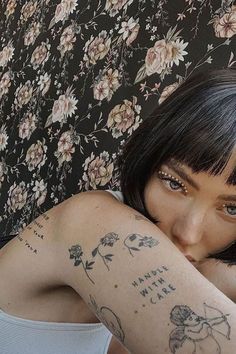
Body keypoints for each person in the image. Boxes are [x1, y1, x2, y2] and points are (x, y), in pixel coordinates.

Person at [0, 67, 236, 354]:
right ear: (148, 160)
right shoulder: (91, 220)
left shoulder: (199, 269)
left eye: (232, 208)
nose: (188, 232)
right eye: (174, 184)